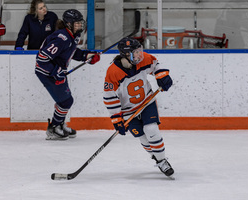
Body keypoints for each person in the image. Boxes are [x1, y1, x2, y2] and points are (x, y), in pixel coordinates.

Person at [103, 37, 174, 178]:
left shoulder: (143, 59)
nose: (139, 55)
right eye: (135, 53)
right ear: (125, 55)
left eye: (139, 51)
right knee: (143, 138)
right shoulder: (113, 72)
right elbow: (110, 97)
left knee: (151, 129)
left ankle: (162, 161)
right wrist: (117, 120)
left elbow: (155, 64)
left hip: (146, 102)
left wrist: (162, 76)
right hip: (128, 112)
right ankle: (156, 156)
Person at [35, 9, 100, 140]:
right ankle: (53, 128)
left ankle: (59, 124)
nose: (80, 25)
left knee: (65, 100)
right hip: (46, 72)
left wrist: (87, 56)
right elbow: (41, 59)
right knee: (66, 101)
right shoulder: (61, 38)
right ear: (69, 24)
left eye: (80, 22)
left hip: (57, 71)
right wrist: (56, 72)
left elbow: (72, 51)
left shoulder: (73, 35)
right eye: (77, 23)